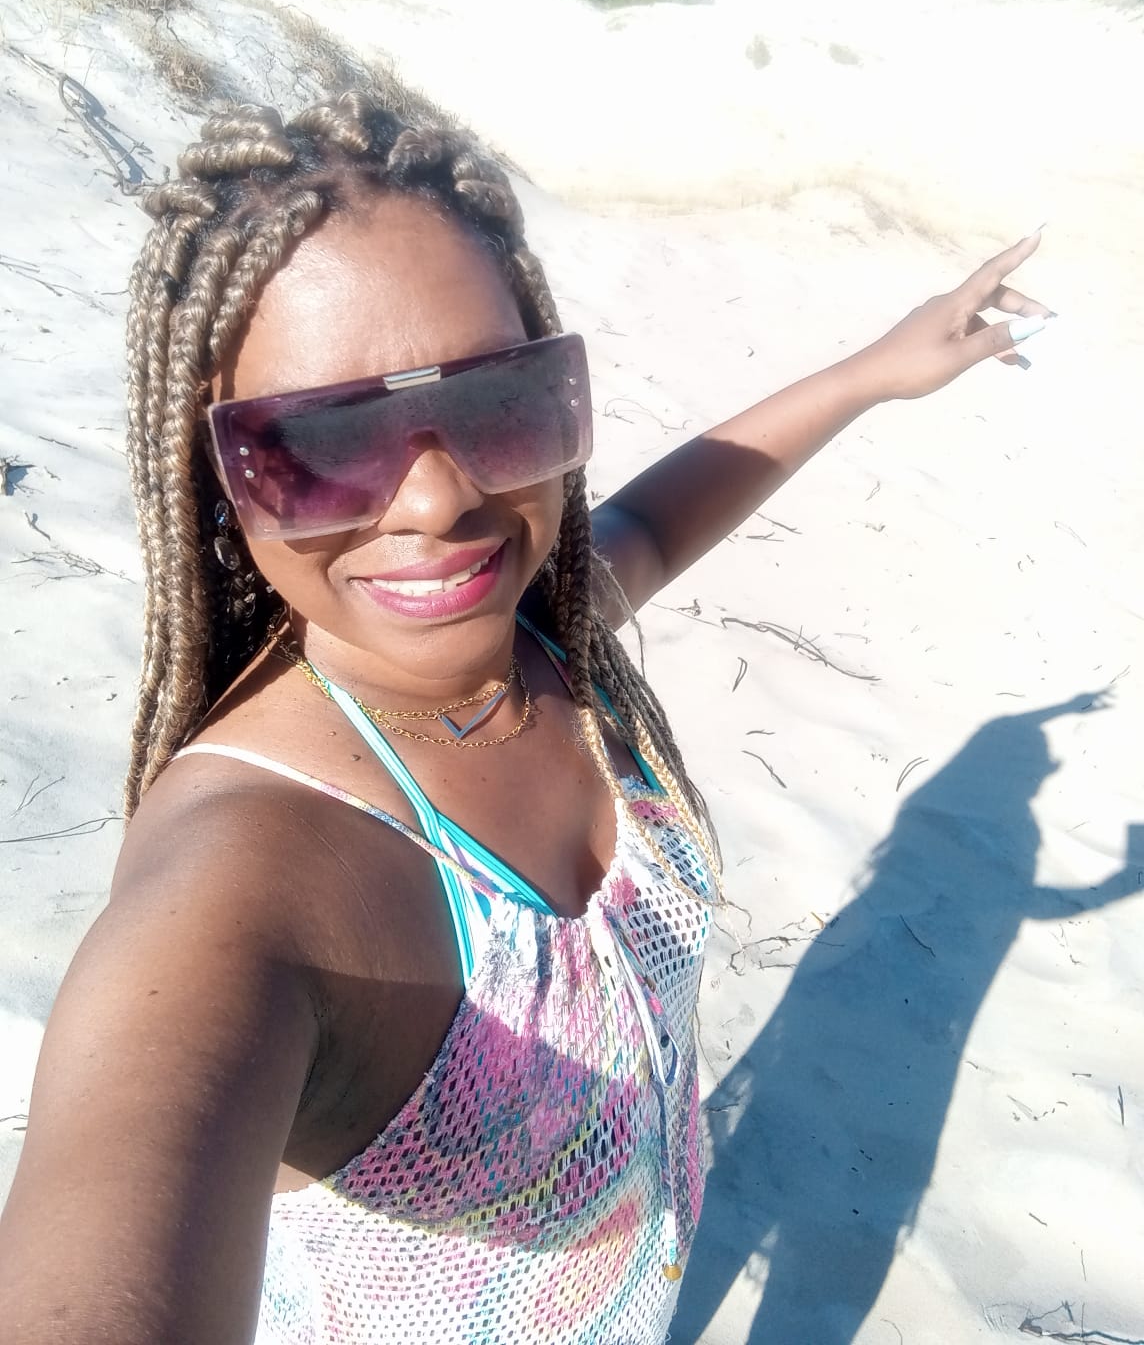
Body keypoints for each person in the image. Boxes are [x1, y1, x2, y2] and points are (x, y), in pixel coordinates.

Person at [0, 94, 1050, 1345]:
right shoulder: (241, 883)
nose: (438, 501)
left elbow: (651, 521)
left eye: (497, 402)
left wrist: (874, 371)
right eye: (324, 441)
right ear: (217, 476)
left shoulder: (543, 641)